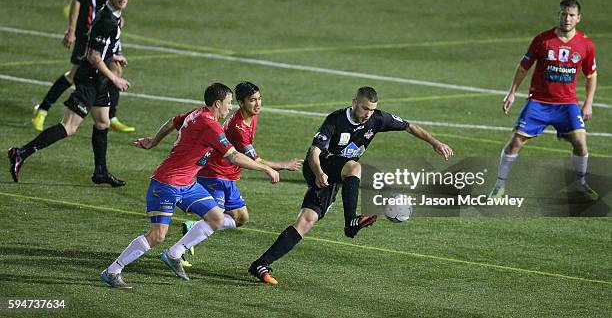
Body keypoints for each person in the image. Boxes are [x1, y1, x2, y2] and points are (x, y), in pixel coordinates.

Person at [248, 86, 454, 285]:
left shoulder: (377, 119)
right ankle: (351, 221)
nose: (368, 114)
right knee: (355, 168)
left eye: (371, 110)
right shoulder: (336, 119)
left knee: (306, 220)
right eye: (364, 108)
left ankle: (260, 264)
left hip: (336, 175)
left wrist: (435, 143)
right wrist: (319, 173)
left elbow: (409, 125)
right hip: (318, 166)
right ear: (354, 102)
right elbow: (314, 152)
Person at [100, 83, 280, 289]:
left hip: (187, 184)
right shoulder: (209, 125)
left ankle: (174, 253)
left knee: (216, 217)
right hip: (166, 184)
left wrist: (153, 141)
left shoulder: (196, 113)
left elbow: (172, 122)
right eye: (228, 104)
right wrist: (265, 168)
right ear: (217, 103)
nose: (229, 109)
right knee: (157, 236)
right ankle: (112, 271)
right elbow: (233, 156)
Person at [8, 0, 131, 187]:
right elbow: (93, 56)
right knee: (69, 127)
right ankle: (20, 153)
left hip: (98, 78)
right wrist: (115, 78)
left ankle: (100, 171)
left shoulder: (115, 16)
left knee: (103, 122)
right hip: (90, 78)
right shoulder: (106, 20)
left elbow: (103, 49)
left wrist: (114, 56)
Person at [179, 81, 303, 266]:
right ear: (241, 102)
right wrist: (282, 165)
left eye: (260, 99)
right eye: (253, 100)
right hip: (214, 174)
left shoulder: (252, 117)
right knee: (216, 218)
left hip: (228, 176)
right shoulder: (238, 128)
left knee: (241, 218)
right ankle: (179, 251)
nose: (258, 103)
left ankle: (195, 227)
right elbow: (256, 160)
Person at [489, 0, 598, 201]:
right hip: (539, 102)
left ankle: (581, 184)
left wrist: (588, 102)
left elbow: (591, 75)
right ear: (559, 15)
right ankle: (499, 186)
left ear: (579, 18)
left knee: (581, 142)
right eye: (564, 14)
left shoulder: (585, 44)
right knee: (515, 143)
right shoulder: (543, 40)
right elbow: (524, 67)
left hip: (567, 105)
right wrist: (512, 92)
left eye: (572, 15)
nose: (567, 18)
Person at [31, 0, 135, 133]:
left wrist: (118, 20)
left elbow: (112, 1)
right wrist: (71, 30)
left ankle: (111, 116)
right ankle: (42, 109)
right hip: (89, 32)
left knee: (117, 69)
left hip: (107, 30)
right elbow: (77, 0)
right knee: (74, 74)